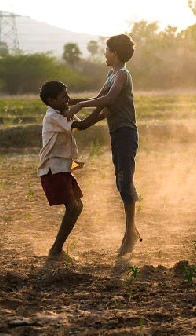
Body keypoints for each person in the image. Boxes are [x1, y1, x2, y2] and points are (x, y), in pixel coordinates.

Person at [65, 34, 141, 256]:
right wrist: (79, 118)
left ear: (116, 53)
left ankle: (129, 235)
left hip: (126, 134)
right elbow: (99, 103)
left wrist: (79, 108)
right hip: (117, 134)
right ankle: (131, 230)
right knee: (121, 182)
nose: (104, 54)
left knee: (125, 183)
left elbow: (107, 101)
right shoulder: (111, 75)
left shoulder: (122, 76)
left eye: (107, 50)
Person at [38, 80, 105, 258]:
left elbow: (83, 122)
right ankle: (56, 250)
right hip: (53, 169)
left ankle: (57, 248)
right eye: (63, 97)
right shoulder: (53, 116)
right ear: (51, 101)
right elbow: (81, 125)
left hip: (63, 168)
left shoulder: (62, 112)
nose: (68, 99)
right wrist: (99, 106)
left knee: (77, 205)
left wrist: (101, 109)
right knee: (73, 206)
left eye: (67, 95)